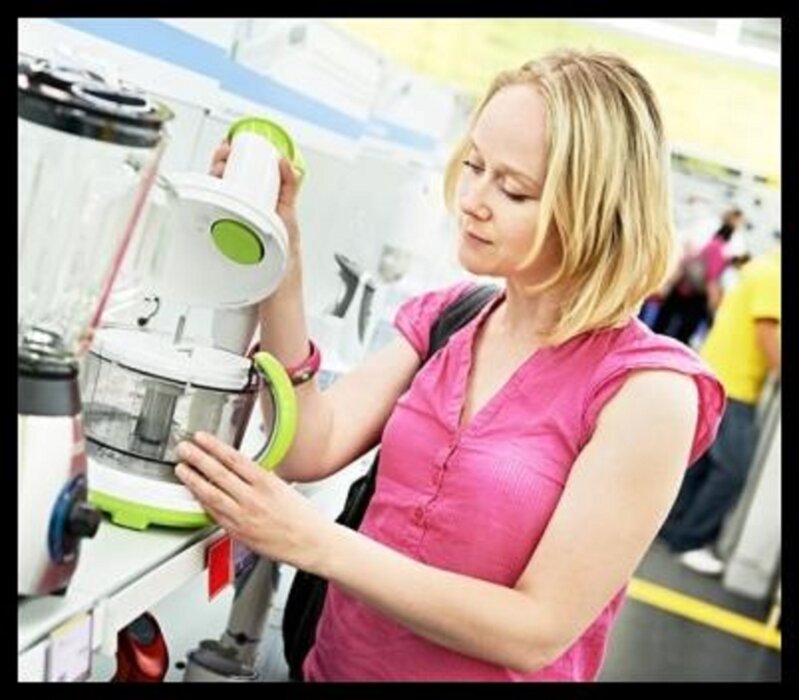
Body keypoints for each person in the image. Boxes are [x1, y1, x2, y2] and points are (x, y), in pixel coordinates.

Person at [174, 49, 725, 682]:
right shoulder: (452, 318)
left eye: (513, 189)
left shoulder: (648, 392)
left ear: (597, 211)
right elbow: (309, 444)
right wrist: (283, 249)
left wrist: (315, 542)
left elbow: (535, 631)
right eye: (474, 165)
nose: (473, 200)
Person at [659, 241, 781, 575]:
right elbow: (767, 334)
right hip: (735, 384)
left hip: (717, 372)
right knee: (732, 471)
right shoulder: (774, 276)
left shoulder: (761, 266)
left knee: (699, 464)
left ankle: (671, 528)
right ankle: (688, 540)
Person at [652, 208, 745, 345]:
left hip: (681, 287)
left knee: (662, 324)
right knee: (683, 334)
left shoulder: (708, 241)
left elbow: (685, 260)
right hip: (695, 295)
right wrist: (714, 305)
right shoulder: (719, 250)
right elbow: (711, 279)